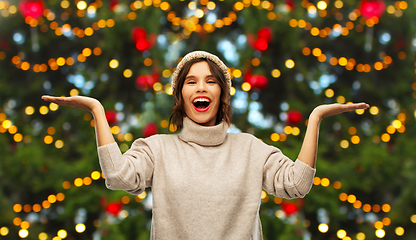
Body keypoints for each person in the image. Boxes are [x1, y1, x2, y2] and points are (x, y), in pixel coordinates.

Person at [42, 51, 369, 239]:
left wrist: (315, 118)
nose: (202, 88)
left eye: (211, 81)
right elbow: (118, 177)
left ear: (222, 94)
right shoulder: (158, 148)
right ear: (180, 96)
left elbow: (296, 185)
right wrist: (96, 110)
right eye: (191, 81)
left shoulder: (250, 148)